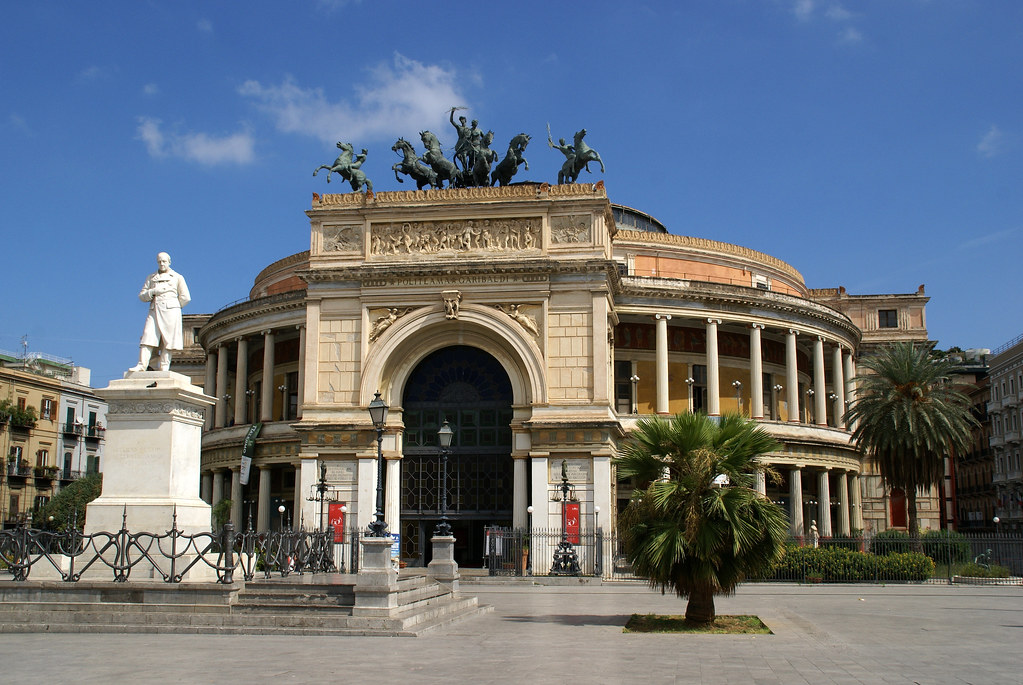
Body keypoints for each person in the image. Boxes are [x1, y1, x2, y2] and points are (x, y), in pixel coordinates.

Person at [130, 251, 190, 372]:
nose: (162, 264)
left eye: (164, 261)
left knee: (167, 341)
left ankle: (164, 367)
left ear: (169, 262)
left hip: (171, 311)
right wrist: (152, 292)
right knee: (147, 337)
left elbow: (185, 297)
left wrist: (175, 307)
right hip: (154, 310)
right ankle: (142, 365)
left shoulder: (177, 277)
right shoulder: (151, 277)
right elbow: (142, 296)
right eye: (159, 262)